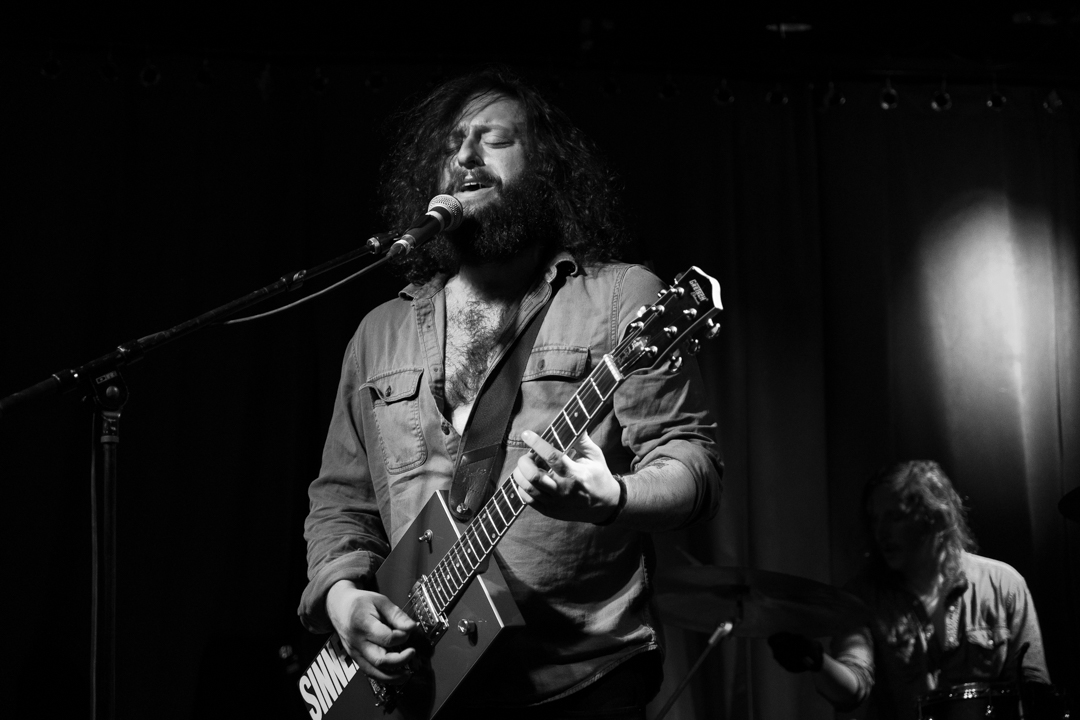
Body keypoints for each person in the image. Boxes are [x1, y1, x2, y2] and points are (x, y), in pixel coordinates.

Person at [298, 67, 723, 719]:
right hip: (420, 691)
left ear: (545, 168)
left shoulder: (621, 299)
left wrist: (610, 496)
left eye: (493, 139)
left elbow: (692, 465)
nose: (465, 156)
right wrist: (342, 597)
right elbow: (340, 502)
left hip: (580, 683)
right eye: (451, 146)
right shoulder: (378, 335)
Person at [768, 460, 1053, 720]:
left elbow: (1035, 687)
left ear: (936, 517)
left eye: (894, 517)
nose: (881, 532)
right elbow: (853, 687)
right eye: (875, 519)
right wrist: (818, 662)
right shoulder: (863, 596)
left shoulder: (1004, 584)